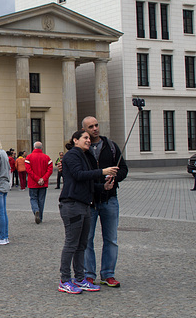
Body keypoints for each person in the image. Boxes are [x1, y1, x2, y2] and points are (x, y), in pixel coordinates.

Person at [58, 130, 117, 294]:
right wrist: (102, 172)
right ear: (75, 140)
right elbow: (78, 175)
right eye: (85, 138)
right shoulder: (72, 155)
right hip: (72, 204)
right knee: (71, 244)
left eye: (89, 138)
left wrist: (102, 187)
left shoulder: (83, 155)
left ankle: (79, 278)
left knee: (81, 245)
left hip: (84, 204)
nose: (89, 140)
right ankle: (64, 280)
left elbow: (86, 182)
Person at [81, 116, 129, 288]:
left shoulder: (111, 146)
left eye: (96, 125)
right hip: (90, 201)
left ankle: (108, 274)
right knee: (87, 240)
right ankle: (88, 275)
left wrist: (115, 180)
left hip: (110, 200)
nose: (95, 129)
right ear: (84, 130)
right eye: (90, 127)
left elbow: (123, 169)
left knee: (111, 239)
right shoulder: (82, 150)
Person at [25, 142, 53, 224]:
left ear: (34, 147)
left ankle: (36, 210)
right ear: (42, 148)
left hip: (33, 182)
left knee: (33, 198)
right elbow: (50, 170)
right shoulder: (47, 157)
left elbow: (28, 170)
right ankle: (40, 217)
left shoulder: (29, 157)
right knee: (41, 199)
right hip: (43, 183)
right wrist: (43, 179)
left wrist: (37, 179)